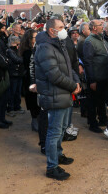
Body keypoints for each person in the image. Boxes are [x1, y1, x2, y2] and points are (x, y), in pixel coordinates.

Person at [34, 18, 81, 180]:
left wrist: (76, 81)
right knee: (54, 132)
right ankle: (52, 167)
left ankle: (58, 155)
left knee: (61, 129)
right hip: (54, 94)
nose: (65, 29)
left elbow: (69, 67)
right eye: (61, 27)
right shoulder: (45, 48)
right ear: (51, 30)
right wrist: (72, 86)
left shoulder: (59, 44)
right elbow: (54, 75)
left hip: (63, 93)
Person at [83, 19, 108, 133]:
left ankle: (103, 119)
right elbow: (88, 62)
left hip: (104, 76)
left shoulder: (102, 39)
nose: (103, 26)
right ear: (94, 28)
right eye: (100, 25)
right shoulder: (89, 42)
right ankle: (93, 123)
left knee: (102, 100)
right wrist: (92, 80)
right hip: (96, 77)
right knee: (93, 102)